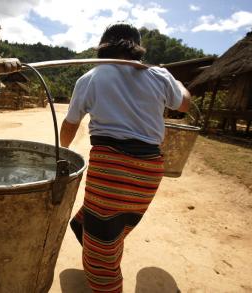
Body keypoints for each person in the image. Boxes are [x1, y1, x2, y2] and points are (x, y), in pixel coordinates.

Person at [59, 23, 191, 293]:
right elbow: (185, 104)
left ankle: (105, 276)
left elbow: (70, 125)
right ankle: (104, 257)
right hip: (148, 172)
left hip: (110, 171)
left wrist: (62, 152)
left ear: (103, 49)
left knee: (101, 249)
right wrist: (178, 83)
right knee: (92, 226)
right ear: (137, 50)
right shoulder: (159, 75)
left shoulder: (91, 78)